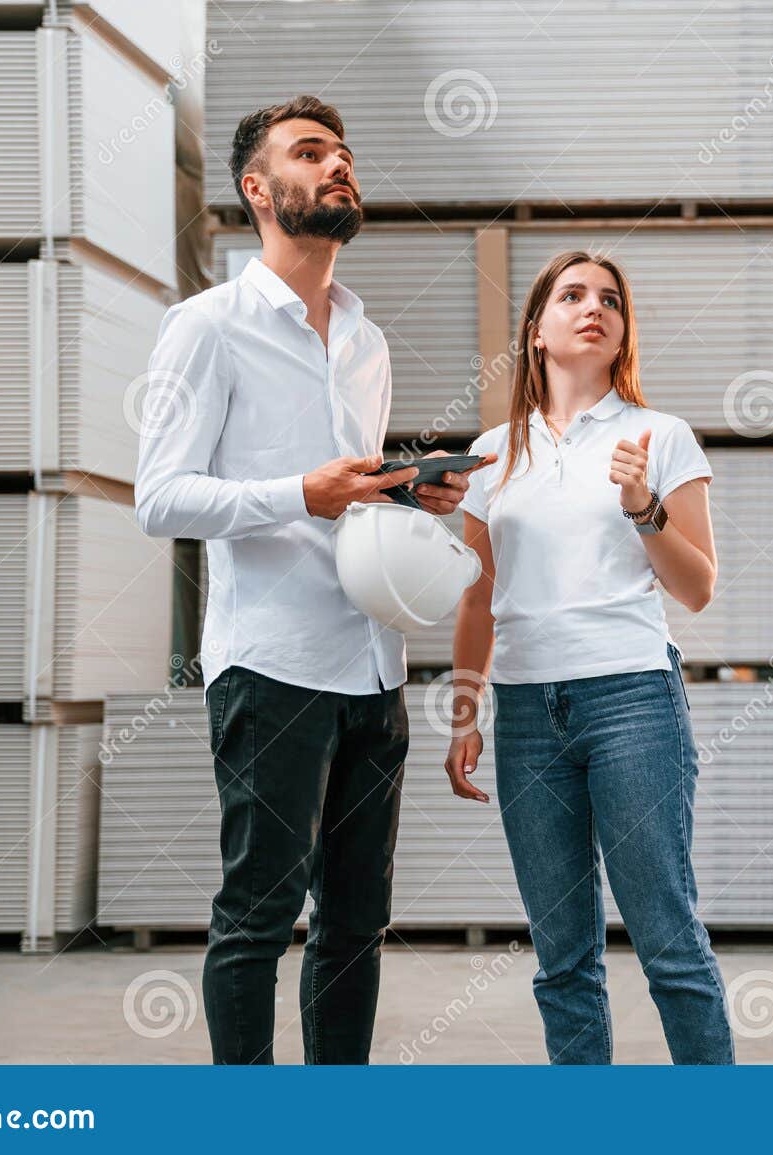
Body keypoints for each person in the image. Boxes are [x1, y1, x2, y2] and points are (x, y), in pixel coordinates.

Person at [134, 95, 489, 1064]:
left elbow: (344, 496)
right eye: (310, 152)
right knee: (256, 917)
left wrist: (406, 494)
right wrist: (300, 492)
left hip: (372, 663)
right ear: (258, 189)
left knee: (355, 924)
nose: (339, 164)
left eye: (344, 152)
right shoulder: (206, 327)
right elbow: (160, 498)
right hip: (273, 664)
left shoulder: (365, 341)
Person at [443, 250, 735, 1064]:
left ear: (622, 332)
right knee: (562, 958)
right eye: (572, 295)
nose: (593, 307)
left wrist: (643, 506)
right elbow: (477, 598)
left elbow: (698, 587)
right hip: (527, 713)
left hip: (632, 701)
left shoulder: (660, 436)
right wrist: (464, 713)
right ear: (536, 330)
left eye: (610, 299)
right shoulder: (492, 454)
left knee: (667, 938)